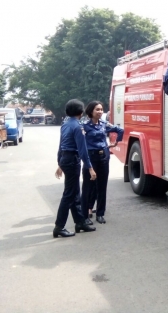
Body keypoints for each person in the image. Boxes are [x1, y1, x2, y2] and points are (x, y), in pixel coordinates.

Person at [53, 99, 97, 238]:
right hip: (72, 160)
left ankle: (80, 222)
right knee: (69, 195)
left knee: (75, 193)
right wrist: (90, 167)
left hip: (66, 159)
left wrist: (60, 163)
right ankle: (59, 227)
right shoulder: (78, 127)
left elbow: (61, 146)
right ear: (81, 111)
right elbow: (82, 150)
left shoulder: (65, 125)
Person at [81, 101, 124, 225]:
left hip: (104, 156)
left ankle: (100, 213)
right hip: (91, 157)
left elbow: (120, 130)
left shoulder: (104, 124)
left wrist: (116, 143)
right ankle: (85, 216)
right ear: (91, 111)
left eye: (101, 109)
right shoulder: (85, 126)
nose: (100, 112)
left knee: (102, 186)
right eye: (97, 109)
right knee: (88, 186)